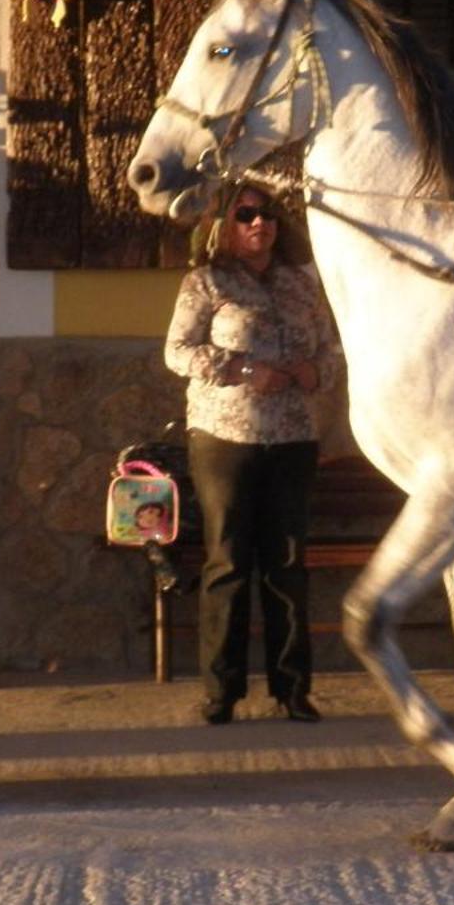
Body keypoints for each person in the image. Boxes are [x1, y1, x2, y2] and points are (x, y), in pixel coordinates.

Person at [165, 183, 341, 724]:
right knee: (229, 563)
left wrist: (319, 371)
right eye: (246, 215)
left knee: (288, 565)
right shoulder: (206, 282)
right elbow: (177, 351)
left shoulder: (303, 284)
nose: (259, 224)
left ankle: (293, 691)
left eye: (267, 216)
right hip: (225, 440)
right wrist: (242, 370)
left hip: (292, 438)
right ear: (224, 225)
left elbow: (334, 348)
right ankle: (222, 693)